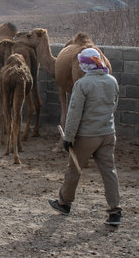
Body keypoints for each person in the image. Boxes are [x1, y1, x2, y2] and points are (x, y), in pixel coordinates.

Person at [48, 47, 122, 225]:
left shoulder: (82, 84)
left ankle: (64, 203)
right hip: (108, 133)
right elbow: (114, 107)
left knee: (73, 170)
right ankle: (115, 210)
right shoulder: (112, 81)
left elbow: (74, 114)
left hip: (87, 136)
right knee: (109, 172)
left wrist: (68, 138)